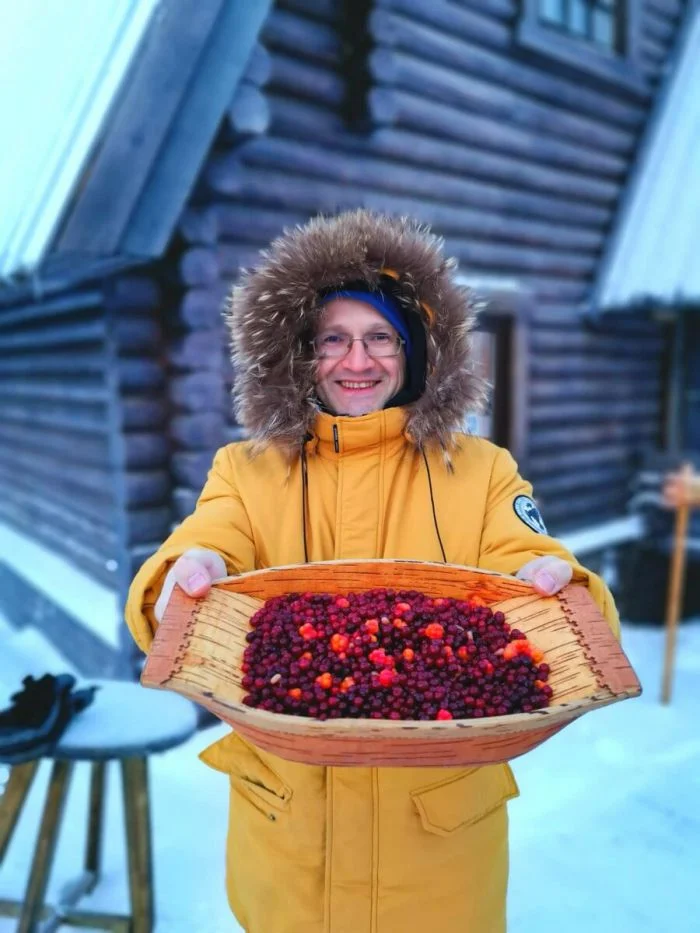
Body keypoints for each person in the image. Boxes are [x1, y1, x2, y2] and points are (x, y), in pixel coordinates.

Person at [125, 210, 619, 933]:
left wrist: (553, 580)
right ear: (300, 352)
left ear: (414, 348)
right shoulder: (245, 468)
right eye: (333, 338)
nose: (357, 360)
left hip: (438, 861)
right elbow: (211, 535)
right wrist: (185, 570)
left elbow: (524, 554)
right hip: (290, 851)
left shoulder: (481, 469)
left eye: (380, 336)